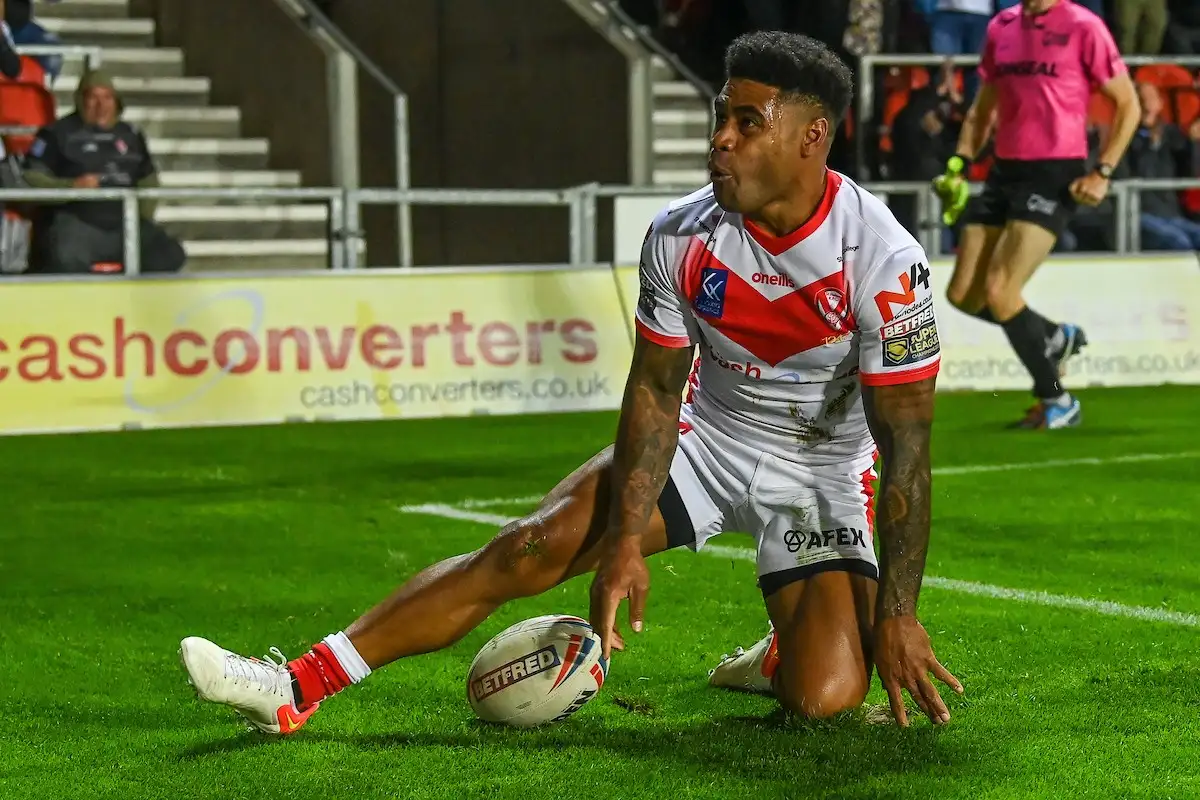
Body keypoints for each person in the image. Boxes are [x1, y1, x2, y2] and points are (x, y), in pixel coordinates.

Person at [179, 31, 962, 734]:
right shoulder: (682, 234)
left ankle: (779, 655)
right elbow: (656, 389)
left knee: (825, 696)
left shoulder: (884, 263)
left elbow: (907, 451)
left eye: (747, 123)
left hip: (821, 471)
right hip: (711, 437)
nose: (720, 139)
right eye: (720, 116)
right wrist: (624, 541)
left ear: (810, 137)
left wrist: (898, 614)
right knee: (530, 546)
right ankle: (294, 684)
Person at [934, 0, 1139, 429]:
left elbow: (1129, 105)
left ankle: (1057, 400)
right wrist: (958, 164)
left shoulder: (1084, 26)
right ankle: (1053, 336)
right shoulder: (1001, 27)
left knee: (999, 290)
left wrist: (1103, 171)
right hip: (1003, 172)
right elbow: (982, 109)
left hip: (1054, 173)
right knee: (962, 295)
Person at [23, 69, 186, 275]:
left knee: (169, 254)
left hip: (123, 223)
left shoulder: (131, 135)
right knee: (64, 257)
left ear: (116, 101)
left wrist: (140, 215)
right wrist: (71, 187)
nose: (101, 106)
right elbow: (31, 178)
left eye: (107, 97)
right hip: (76, 224)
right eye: (93, 97)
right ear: (81, 100)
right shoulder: (55, 134)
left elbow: (148, 178)